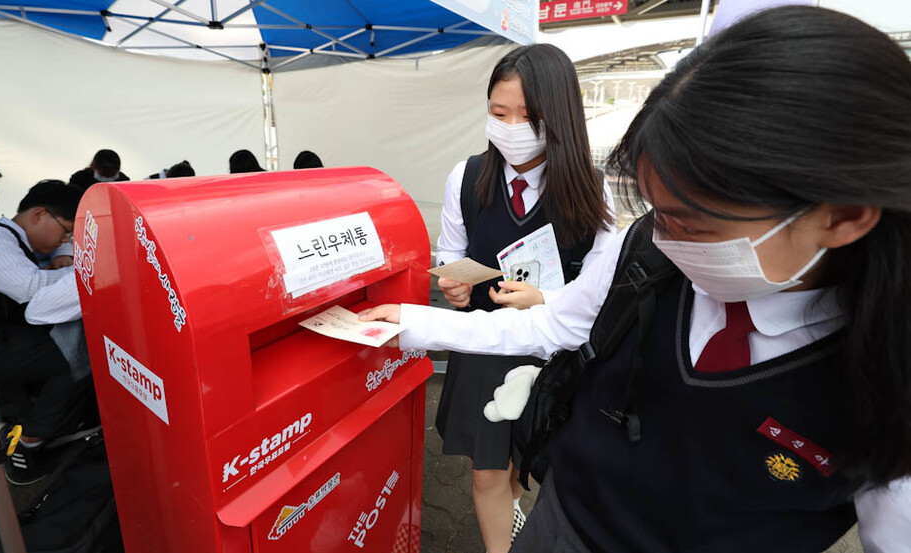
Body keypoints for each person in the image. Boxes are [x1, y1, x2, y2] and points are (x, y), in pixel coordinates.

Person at [361, 7, 911, 552]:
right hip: (563, 521)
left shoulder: (886, 376)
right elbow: (552, 325)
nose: (665, 238)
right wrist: (414, 321)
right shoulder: (646, 251)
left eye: (693, 222)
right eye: (656, 211)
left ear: (842, 216)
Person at [430, 44, 615, 553]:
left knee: (525, 462)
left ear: (560, 117)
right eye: (498, 113)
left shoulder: (595, 190)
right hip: (486, 344)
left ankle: (514, 502)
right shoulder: (465, 177)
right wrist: (454, 283)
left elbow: (605, 286)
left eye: (529, 116)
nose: (511, 126)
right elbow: (452, 249)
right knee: (487, 472)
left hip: (554, 354)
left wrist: (547, 299)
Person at [0, 180, 91, 485]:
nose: (65, 240)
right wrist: (97, 269)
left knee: (76, 335)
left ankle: (47, 423)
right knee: (79, 347)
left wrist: (63, 253)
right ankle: (27, 445)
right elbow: (34, 293)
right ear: (39, 214)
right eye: (65, 231)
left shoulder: (14, 240)